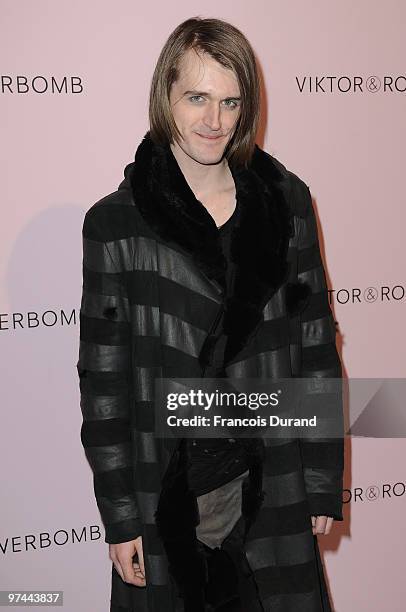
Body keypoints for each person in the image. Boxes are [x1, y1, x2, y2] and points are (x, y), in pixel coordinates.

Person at [77, 16, 344, 612]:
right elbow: (104, 385)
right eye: (197, 98)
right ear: (164, 98)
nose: (215, 121)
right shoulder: (116, 225)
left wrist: (323, 477)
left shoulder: (287, 203)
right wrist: (121, 518)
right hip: (164, 488)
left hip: (271, 482)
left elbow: (316, 344)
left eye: (230, 101)